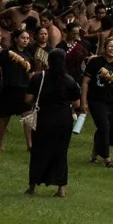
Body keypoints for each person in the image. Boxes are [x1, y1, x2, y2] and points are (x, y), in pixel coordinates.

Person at [26, 48, 80, 197]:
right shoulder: (70, 80)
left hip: (43, 117)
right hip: (63, 118)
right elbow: (77, 104)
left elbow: (28, 99)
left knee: (38, 151)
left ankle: (32, 186)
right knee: (61, 152)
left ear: (48, 61)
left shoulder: (39, 77)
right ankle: (61, 188)